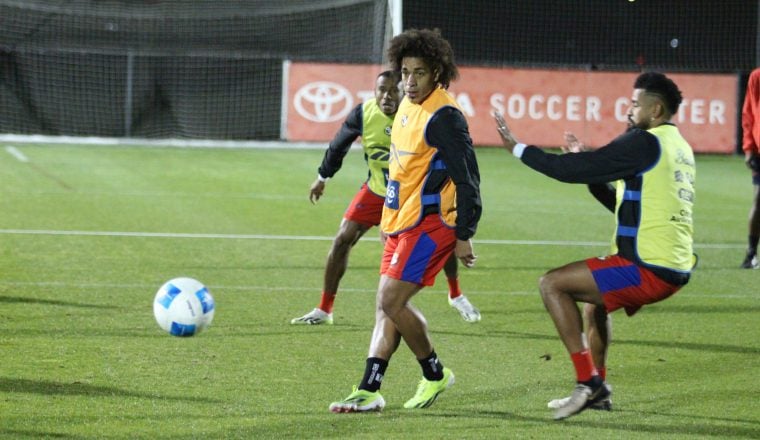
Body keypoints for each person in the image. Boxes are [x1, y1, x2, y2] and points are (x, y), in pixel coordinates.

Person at [493, 72, 695, 420]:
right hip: (670, 266)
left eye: (635, 104)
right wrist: (588, 165)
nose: (629, 110)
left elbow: (569, 171)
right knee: (592, 305)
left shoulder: (644, 142)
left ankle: (588, 384)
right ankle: (598, 388)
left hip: (645, 269)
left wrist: (518, 148)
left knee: (552, 284)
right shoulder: (676, 146)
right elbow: (623, 201)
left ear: (656, 109)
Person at [328, 28, 482, 413]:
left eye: (419, 73)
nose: (409, 82)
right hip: (401, 222)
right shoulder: (406, 108)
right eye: (405, 72)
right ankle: (369, 389)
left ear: (438, 74)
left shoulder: (444, 116)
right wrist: (388, 218)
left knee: (390, 300)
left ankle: (434, 373)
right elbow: (402, 171)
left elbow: (469, 178)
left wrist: (464, 234)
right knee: (386, 307)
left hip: (432, 225)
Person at [291, 70, 481, 325]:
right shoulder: (364, 113)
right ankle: (324, 309)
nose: (387, 96)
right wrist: (322, 177)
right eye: (382, 89)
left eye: (394, 90)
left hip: (413, 197)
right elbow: (339, 145)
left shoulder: (417, 114)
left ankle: (455, 294)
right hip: (378, 189)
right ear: (374, 91)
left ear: (405, 92)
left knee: (440, 238)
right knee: (342, 238)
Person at [741, 68, 760, 268]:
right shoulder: (756, 77)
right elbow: (748, 113)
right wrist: (748, 148)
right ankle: (751, 253)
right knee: (759, 200)